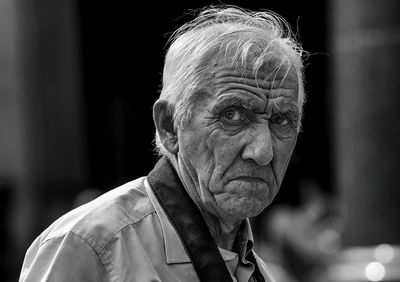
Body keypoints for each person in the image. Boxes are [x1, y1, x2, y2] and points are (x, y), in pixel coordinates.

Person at [19, 5, 306, 282]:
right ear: (169, 125)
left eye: (281, 120)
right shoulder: (91, 247)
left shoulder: (255, 269)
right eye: (232, 115)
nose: (263, 151)